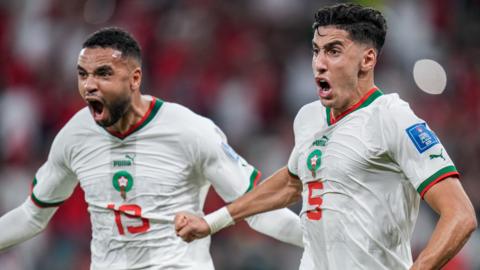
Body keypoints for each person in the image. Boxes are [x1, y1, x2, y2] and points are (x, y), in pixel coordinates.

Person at [175, 3, 477, 270]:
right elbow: (294, 180)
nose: (319, 62)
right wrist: (212, 221)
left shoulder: (393, 119)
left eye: (334, 51)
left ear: (367, 59)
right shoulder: (308, 117)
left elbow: (460, 215)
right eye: (316, 51)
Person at [0, 27, 304, 269]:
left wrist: (325, 239)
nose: (89, 85)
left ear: (134, 79)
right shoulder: (74, 135)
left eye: (103, 73)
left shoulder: (190, 131)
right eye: (83, 74)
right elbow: (32, 215)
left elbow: (258, 211)